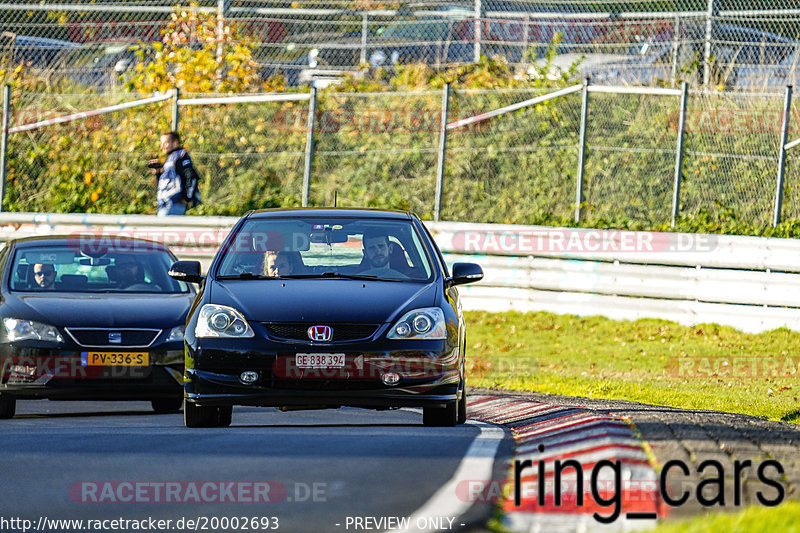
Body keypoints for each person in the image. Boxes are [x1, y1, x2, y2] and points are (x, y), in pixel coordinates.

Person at [150, 131, 202, 216]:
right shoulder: (171, 158)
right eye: (161, 143)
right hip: (165, 205)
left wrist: (187, 198)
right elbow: (167, 184)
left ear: (175, 143)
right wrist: (158, 173)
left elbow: (192, 177)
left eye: (166, 143)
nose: (162, 146)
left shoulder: (180, 156)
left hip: (173, 206)